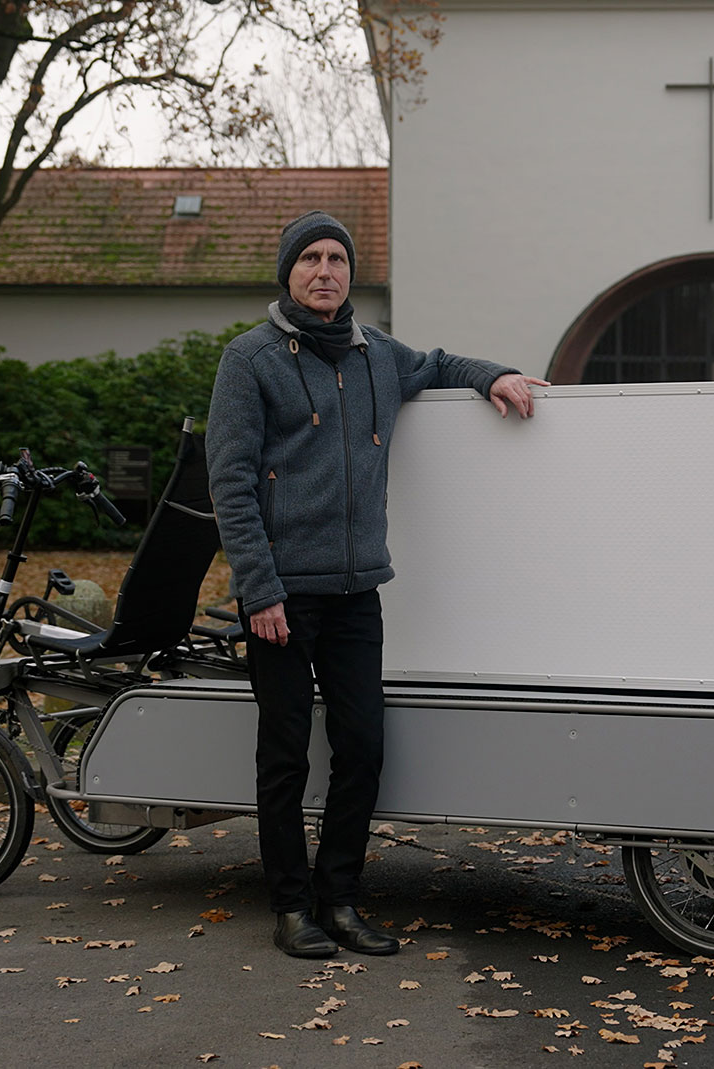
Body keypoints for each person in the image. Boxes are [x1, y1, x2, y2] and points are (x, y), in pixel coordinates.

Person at [206, 210, 548, 958]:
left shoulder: (376, 356)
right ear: (288, 273)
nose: (325, 271)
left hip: (358, 591)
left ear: (350, 274)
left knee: (362, 747)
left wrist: (493, 374)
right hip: (282, 598)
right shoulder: (250, 359)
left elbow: (440, 363)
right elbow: (229, 481)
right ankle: (292, 907)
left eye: (337, 259)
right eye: (311, 259)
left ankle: (342, 900)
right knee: (286, 756)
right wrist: (257, 588)